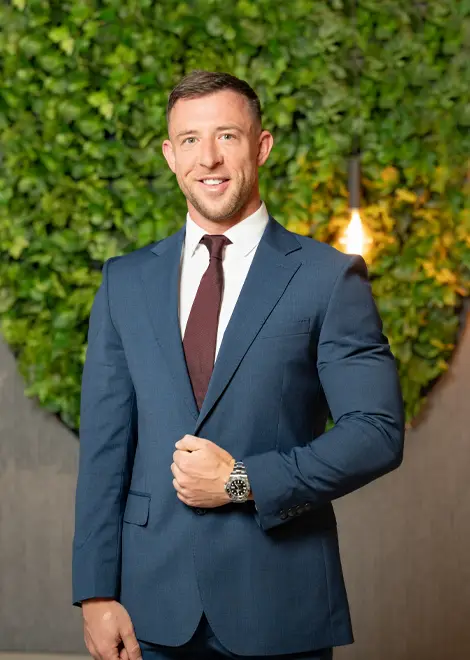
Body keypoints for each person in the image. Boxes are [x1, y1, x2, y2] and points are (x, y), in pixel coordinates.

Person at [72, 70, 405, 660]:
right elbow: (105, 449)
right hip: (150, 608)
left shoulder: (329, 278)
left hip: (280, 603)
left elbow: (376, 432)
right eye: (191, 140)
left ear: (261, 145)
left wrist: (241, 482)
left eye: (227, 135)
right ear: (170, 156)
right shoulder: (125, 282)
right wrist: (96, 593)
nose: (209, 158)